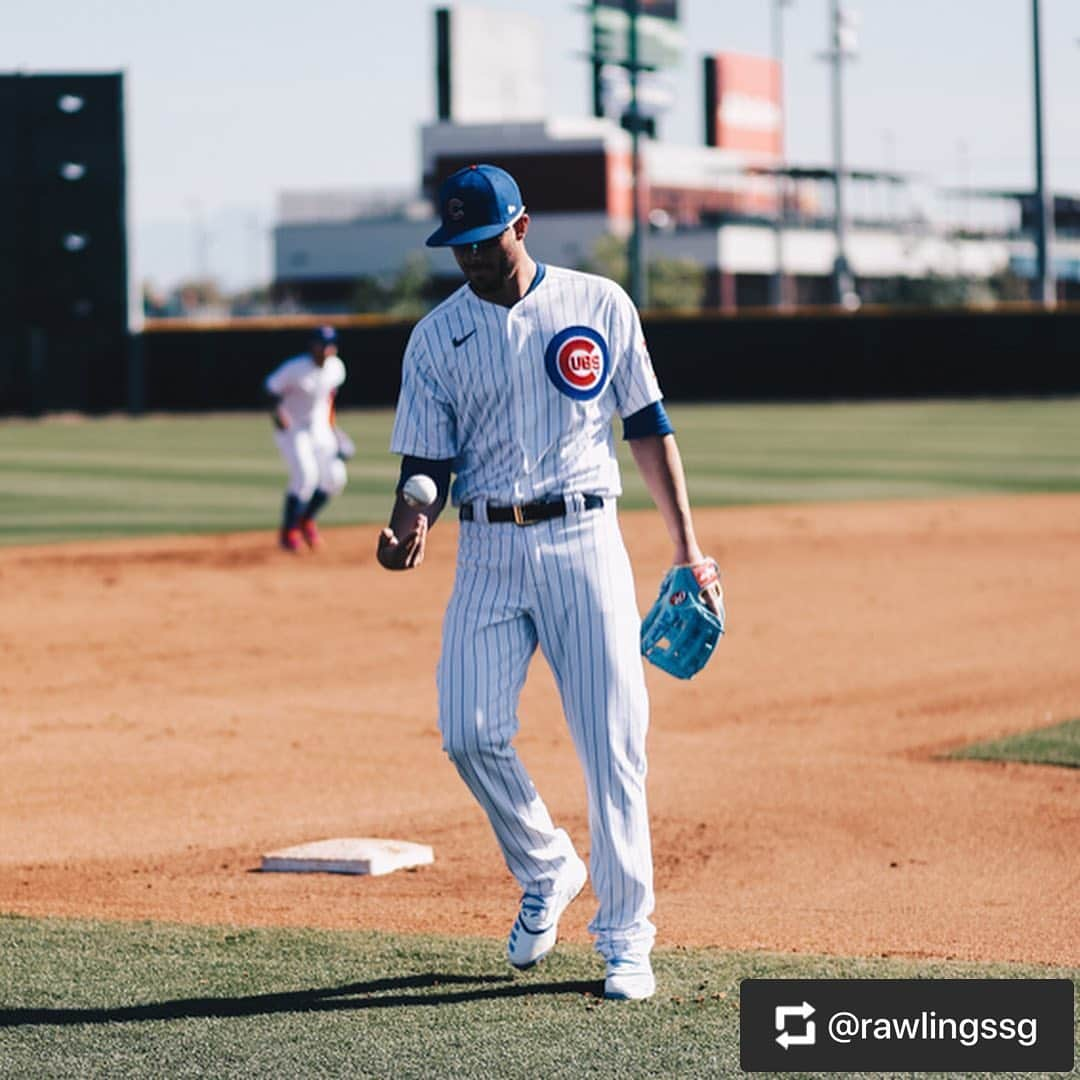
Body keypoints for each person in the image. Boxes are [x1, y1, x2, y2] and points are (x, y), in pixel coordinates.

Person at [376, 164, 722, 1001]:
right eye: (456, 246)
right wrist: (410, 518)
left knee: (613, 745)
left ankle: (626, 940)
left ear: (520, 227)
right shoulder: (436, 338)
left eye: (482, 241)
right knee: (467, 729)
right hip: (488, 547)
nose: (469, 259)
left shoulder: (599, 304)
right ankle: (547, 867)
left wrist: (688, 548)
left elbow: (647, 426)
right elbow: (426, 466)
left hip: (583, 539)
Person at [265, 325, 349, 552]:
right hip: (294, 430)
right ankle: (288, 531)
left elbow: (329, 400)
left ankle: (306, 519)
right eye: (323, 344)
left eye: (331, 345)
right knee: (306, 476)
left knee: (336, 478)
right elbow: (271, 389)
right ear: (313, 345)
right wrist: (278, 415)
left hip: (321, 430)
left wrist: (335, 431)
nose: (327, 349)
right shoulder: (295, 368)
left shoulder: (336, 368)